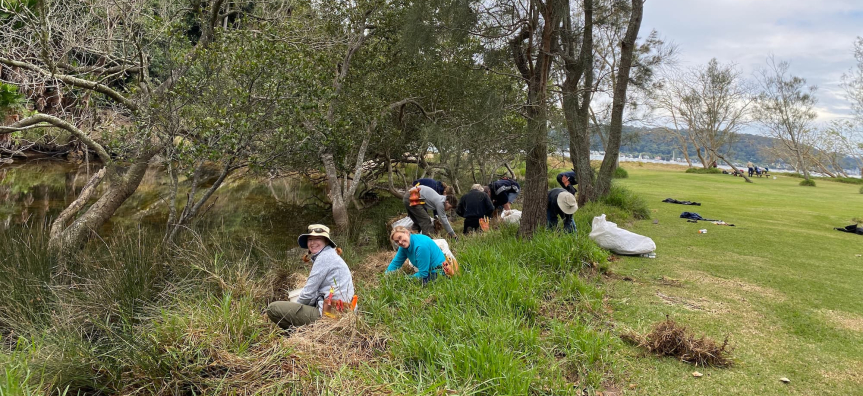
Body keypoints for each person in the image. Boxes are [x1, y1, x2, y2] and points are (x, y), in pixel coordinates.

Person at [266, 224, 355, 329]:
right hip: (344, 312)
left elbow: (308, 294)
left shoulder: (324, 258)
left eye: (317, 238)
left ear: (326, 241)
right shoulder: (330, 254)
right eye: (310, 239)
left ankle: (297, 334)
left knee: (273, 308)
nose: (312, 242)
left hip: (332, 314)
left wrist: (295, 307)